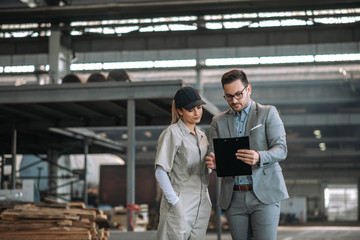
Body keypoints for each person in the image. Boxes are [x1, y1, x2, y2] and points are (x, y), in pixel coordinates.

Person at [205, 69, 288, 240]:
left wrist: (259, 157)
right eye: (228, 96)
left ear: (248, 89)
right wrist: (214, 162)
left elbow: (281, 149)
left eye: (238, 94)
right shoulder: (217, 121)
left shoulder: (268, 113)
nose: (234, 101)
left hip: (264, 195)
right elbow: (214, 152)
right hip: (233, 197)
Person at [155, 86, 211, 240]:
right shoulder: (172, 133)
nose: (197, 112)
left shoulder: (202, 136)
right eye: (191, 109)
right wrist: (174, 201)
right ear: (180, 111)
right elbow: (160, 171)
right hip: (180, 200)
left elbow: (204, 170)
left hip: (202, 202)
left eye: (199, 108)